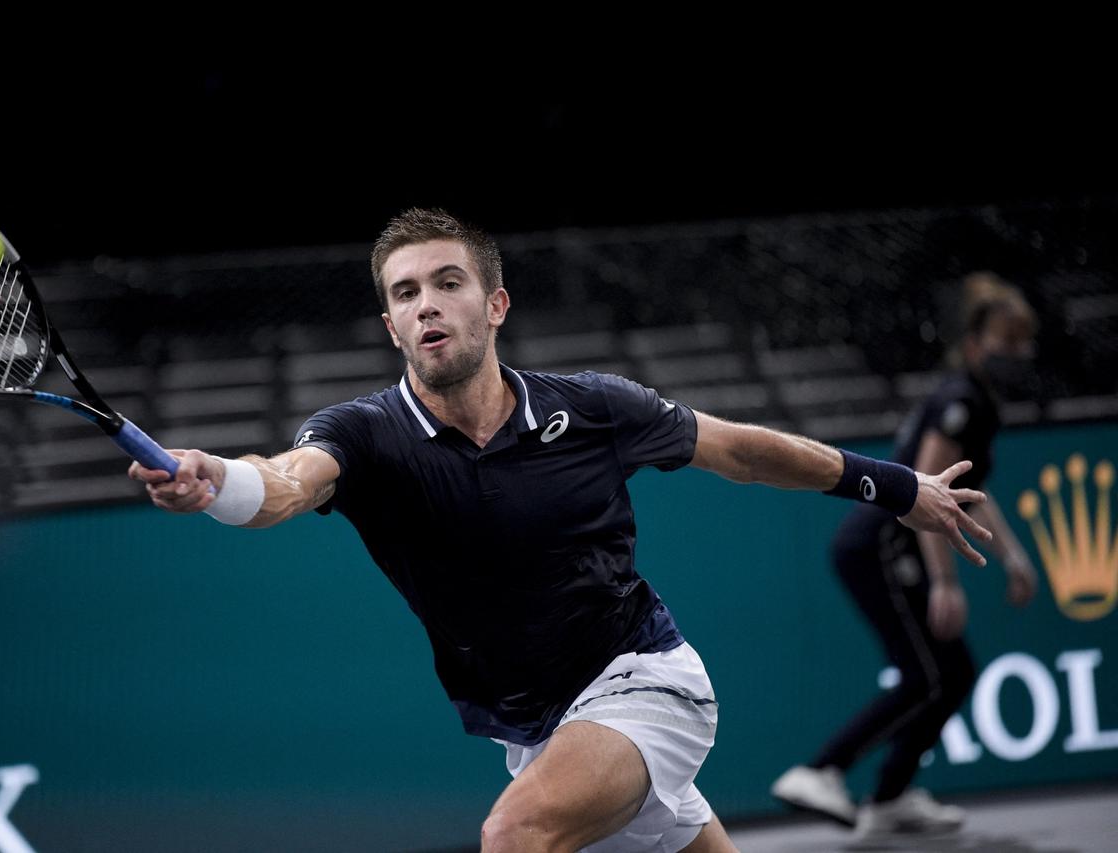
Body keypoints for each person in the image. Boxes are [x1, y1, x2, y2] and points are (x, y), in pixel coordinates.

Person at [130, 209, 993, 853]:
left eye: (446, 282)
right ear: (390, 324)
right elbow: (285, 484)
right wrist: (218, 484)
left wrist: (897, 486)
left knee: (516, 836)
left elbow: (742, 452)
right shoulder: (362, 434)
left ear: (495, 302)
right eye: (405, 293)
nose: (426, 305)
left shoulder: (593, 408)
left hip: (646, 680)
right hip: (536, 729)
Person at [771, 272, 1039, 842]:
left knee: (949, 673)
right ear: (973, 345)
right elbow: (928, 491)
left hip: (886, 547)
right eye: (1005, 341)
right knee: (928, 674)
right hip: (882, 545)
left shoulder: (975, 401)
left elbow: (970, 496)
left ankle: (890, 797)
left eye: (1023, 342)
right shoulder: (959, 403)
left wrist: (1014, 558)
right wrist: (944, 583)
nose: (1017, 354)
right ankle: (821, 771)